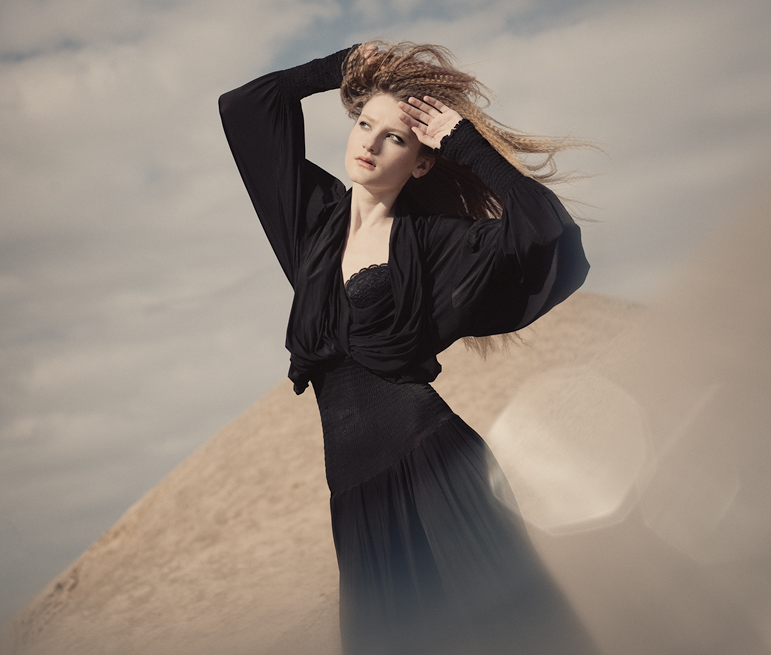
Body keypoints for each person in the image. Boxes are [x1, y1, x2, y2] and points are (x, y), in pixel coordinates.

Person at [219, 42, 600, 655]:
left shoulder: (435, 243)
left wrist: (465, 143)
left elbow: (547, 231)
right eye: (364, 124)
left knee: (514, 639)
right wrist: (338, 67)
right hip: (353, 493)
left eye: (394, 137)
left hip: (433, 465)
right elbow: (244, 108)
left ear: (421, 161)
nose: (369, 144)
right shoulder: (309, 224)